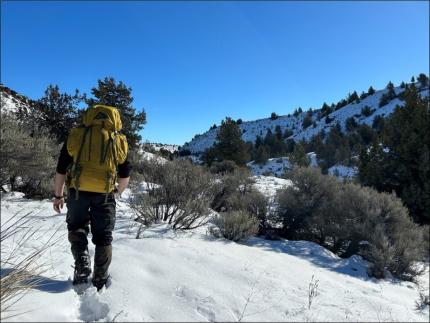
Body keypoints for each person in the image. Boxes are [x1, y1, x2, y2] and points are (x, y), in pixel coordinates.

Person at [53, 105, 131, 290]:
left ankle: (82, 265)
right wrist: (117, 192)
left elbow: (61, 169)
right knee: (104, 236)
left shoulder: (76, 135)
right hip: (104, 194)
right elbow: (125, 175)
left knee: (77, 227)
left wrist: (58, 195)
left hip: (77, 191)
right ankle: (100, 278)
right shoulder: (118, 140)